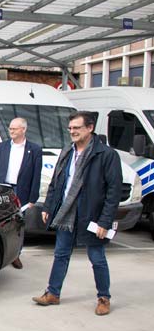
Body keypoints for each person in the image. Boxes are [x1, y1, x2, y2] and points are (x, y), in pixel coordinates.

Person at [32, 111, 121, 316]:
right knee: (60, 254)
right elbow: (57, 183)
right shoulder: (67, 151)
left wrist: (104, 222)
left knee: (96, 257)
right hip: (67, 214)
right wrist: (48, 207)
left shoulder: (106, 155)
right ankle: (53, 293)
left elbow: (113, 192)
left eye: (77, 128)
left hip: (91, 216)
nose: (72, 132)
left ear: (90, 128)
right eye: (70, 128)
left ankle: (104, 298)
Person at [0, 117, 43, 269]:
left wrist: (33, 198)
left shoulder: (34, 150)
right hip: (3, 188)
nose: (11, 131)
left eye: (14, 128)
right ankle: (0, 253)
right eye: (10, 128)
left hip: (21, 190)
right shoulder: (2, 147)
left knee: (18, 224)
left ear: (23, 130)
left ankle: (15, 255)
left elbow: (36, 175)